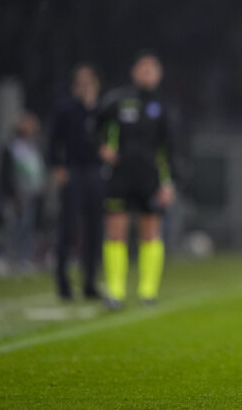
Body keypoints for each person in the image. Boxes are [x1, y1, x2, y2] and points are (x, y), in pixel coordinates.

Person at [97, 52, 176, 309]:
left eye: (152, 69)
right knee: (115, 232)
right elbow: (93, 126)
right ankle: (115, 292)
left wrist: (169, 183)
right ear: (134, 72)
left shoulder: (163, 107)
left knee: (150, 233)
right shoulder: (118, 101)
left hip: (150, 178)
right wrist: (101, 147)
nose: (147, 74)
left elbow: (171, 149)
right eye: (143, 69)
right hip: (120, 176)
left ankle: (148, 292)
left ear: (159, 75)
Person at [48, 64, 104, 300]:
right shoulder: (66, 109)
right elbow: (53, 141)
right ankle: (63, 283)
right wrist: (57, 167)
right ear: (74, 87)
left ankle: (90, 282)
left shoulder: (102, 110)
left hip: (96, 173)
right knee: (69, 229)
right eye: (82, 83)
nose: (86, 87)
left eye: (90, 82)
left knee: (95, 230)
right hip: (74, 172)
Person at [0, 112, 46, 273]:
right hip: (15, 195)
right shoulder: (12, 146)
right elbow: (6, 172)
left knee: (27, 228)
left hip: (31, 194)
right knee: (11, 227)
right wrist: (12, 193)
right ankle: (5, 258)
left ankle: (24, 258)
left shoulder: (33, 146)